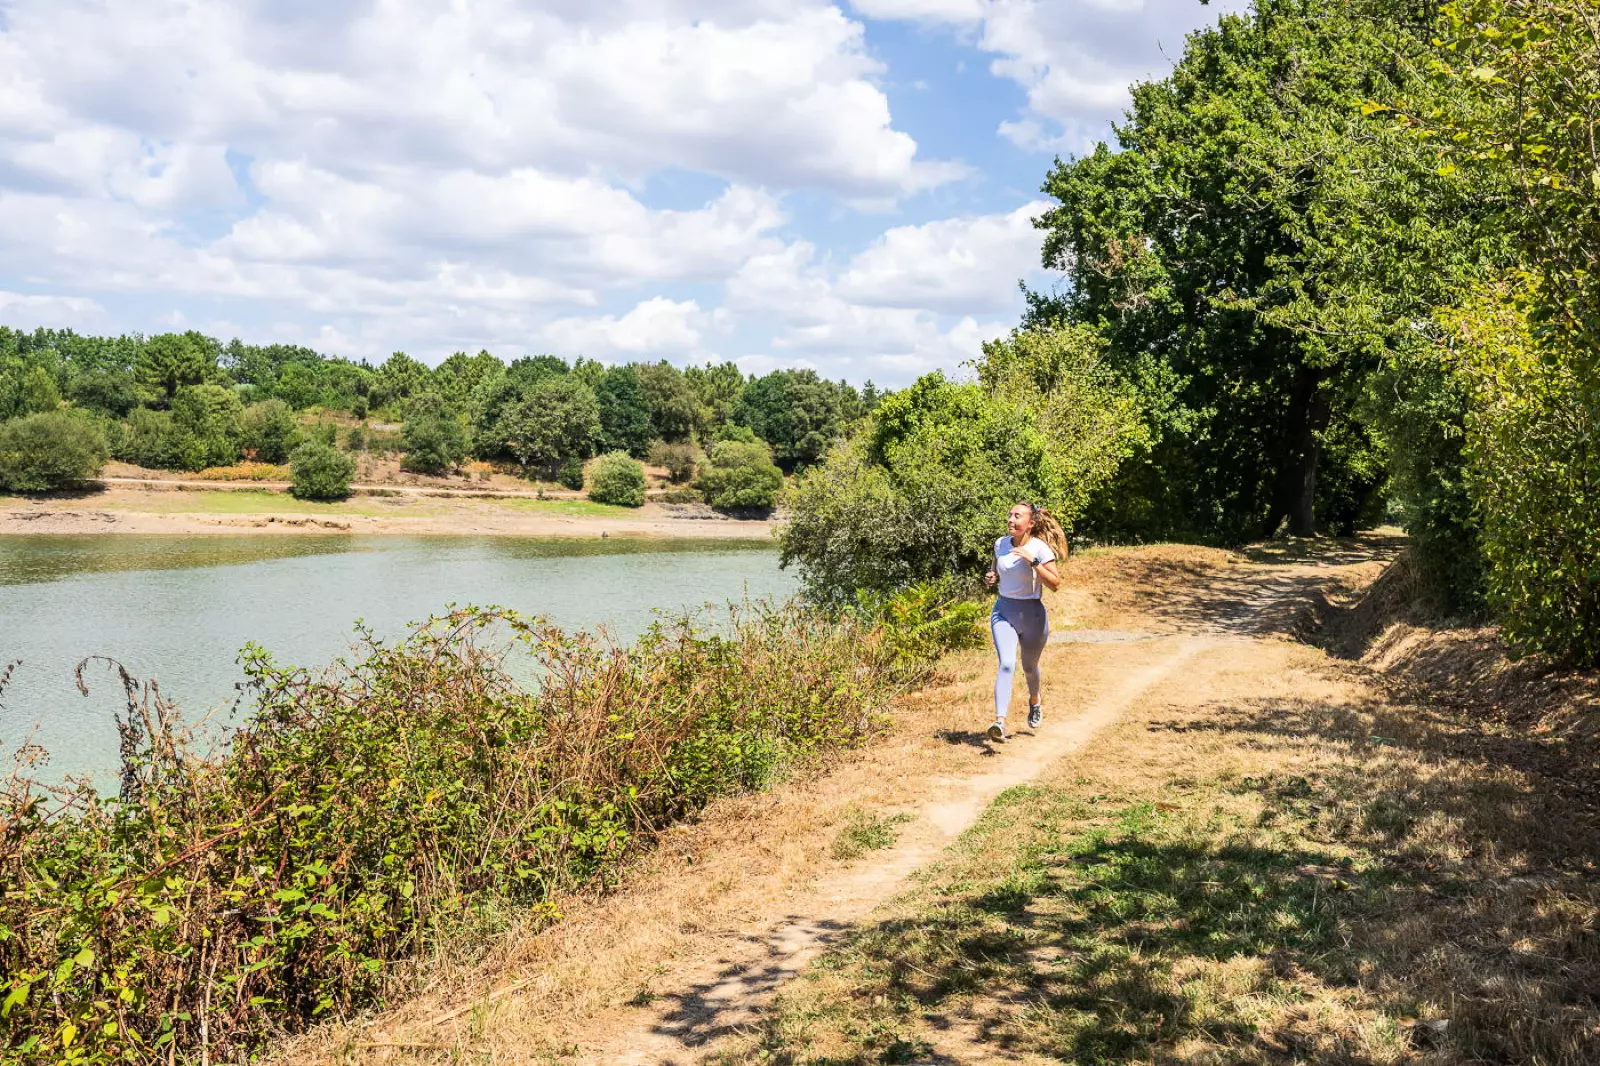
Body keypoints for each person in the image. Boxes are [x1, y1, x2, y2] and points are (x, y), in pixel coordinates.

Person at [983, 502, 1066, 741]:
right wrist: (992, 576)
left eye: (1017, 516)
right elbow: (996, 567)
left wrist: (1034, 562)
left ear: (1030, 523)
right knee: (1006, 664)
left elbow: (1055, 584)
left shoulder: (1039, 548)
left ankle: (1035, 700)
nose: (1011, 519)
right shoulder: (1000, 544)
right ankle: (999, 722)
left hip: (1032, 615)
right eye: (1010, 515)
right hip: (1003, 611)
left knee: (1029, 667)